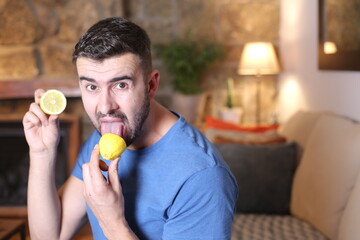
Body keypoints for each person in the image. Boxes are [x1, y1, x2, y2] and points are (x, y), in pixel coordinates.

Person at [23, 17, 238, 240]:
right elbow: (50, 236)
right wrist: (41, 153)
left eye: (121, 85)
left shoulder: (202, 177)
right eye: (92, 86)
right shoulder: (102, 140)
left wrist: (113, 223)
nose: (105, 106)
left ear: (151, 85)